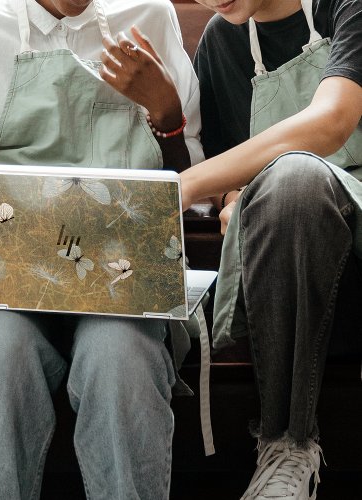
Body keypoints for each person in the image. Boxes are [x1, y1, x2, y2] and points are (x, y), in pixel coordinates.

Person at [0, 0, 205, 498]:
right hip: (4, 269)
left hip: (124, 276)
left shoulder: (150, 15)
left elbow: (189, 188)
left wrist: (167, 115)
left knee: (122, 356)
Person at [104, 0, 362, 498]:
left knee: (293, 173)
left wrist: (185, 186)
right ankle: (286, 445)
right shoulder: (222, 42)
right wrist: (232, 196)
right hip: (288, 278)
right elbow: (231, 166)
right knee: (288, 183)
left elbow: (331, 121)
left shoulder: (345, 7)